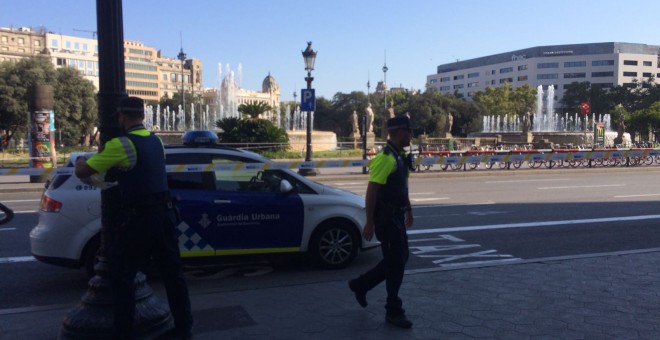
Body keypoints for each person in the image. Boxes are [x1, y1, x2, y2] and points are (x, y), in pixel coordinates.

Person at [74, 96, 193, 339]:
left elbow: (84, 171)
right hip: (165, 216)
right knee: (173, 276)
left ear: (122, 117)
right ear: (142, 116)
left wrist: (80, 159)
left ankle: (124, 333)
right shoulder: (156, 141)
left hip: (138, 221)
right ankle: (183, 329)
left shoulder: (121, 145)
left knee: (122, 278)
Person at [348, 114, 415, 329]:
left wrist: (409, 209)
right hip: (385, 219)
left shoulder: (400, 156)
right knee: (396, 263)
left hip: (396, 216)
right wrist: (369, 223)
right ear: (396, 132)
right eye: (408, 130)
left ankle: (361, 284)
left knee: (399, 258)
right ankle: (393, 309)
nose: (411, 134)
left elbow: (402, 187)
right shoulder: (385, 158)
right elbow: (372, 191)